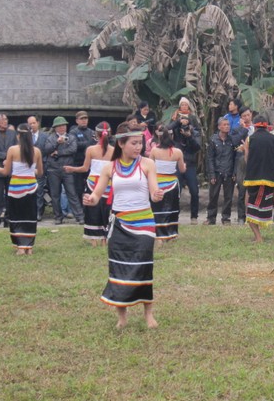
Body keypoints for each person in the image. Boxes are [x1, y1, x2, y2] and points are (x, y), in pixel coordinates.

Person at [83, 123, 164, 329]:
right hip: (119, 224)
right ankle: (122, 317)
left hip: (144, 223)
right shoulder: (109, 167)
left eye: (141, 143)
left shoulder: (147, 164)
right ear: (121, 143)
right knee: (118, 269)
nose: (139, 147)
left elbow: (154, 190)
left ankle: (149, 315)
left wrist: (156, 194)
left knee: (143, 268)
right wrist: (90, 199)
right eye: (134, 143)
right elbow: (97, 194)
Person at [0, 123, 44, 255]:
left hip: (15, 188)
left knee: (16, 216)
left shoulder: (12, 150)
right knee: (30, 216)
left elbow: (6, 172)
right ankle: (29, 247)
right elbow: (40, 172)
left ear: (18, 136)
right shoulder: (36, 151)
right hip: (31, 187)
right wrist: (31, 170)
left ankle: (20, 245)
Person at [64, 122, 114, 247]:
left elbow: (85, 168)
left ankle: (93, 240)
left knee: (92, 210)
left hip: (93, 183)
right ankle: (105, 239)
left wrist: (72, 169)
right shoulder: (114, 151)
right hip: (108, 183)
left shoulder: (91, 150)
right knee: (107, 210)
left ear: (96, 135)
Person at [242, 116, 274, 243]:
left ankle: (258, 237)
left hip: (253, 179)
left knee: (249, 206)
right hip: (271, 179)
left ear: (255, 127)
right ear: (267, 127)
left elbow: (247, 159)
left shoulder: (249, 139)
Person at [44, 116, 84, 225]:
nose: (62, 128)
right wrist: (57, 143)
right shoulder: (50, 138)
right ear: (55, 128)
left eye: (64, 125)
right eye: (60, 126)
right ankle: (58, 217)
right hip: (53, 169)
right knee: (55, 195)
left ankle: (79, 216)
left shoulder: (71, 137)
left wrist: (58, 153)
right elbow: (47, 150)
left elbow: (73, 150)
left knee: (72, 193)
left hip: (67, 168)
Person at [149, 127, 186, 244]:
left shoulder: (154, 151)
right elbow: (182, 169)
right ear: (172, 137)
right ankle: (171, 234)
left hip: (157, 182)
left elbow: (149, 166)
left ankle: (158, 236)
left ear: (160, 137)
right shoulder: (178, 152)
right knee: (172, 209)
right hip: (172, 183)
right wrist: (184, 165)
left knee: (157, 209)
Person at [168, 112, 201, 224]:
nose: (184, 122)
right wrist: (177, 122)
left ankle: (194, 217)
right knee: (176, 191)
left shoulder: (194, 132)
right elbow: (166, 129)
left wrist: (189, 136)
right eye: (183, 120)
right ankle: (174, 215)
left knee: (194, 191)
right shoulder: (176, 131)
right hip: (177, 164)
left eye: (187, 120)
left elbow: (197, 147)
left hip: (190, 164)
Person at [206, 117, 237, 225]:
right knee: (213, 195)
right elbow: (210, 158)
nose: (227, 126)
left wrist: (234, 172)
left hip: (228, 171)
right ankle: (211, 217)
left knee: (228, 196)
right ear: (219, 127)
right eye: (224, 125)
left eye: (228, 124)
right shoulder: (213, 140)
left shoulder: (232, 140)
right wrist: (211, 174)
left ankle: (226, 217)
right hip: (217, 171)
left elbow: (235, 157)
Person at [231, 107, 254, 224]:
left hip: (255, 160)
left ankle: (253, 215)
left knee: (254, 189)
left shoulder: (256, 129)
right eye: (244, 116)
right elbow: (235, 142)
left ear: (251, 115)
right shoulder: (236, 130)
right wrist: (244, 129)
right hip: (241, 161)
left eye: (248, 115)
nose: (246, 117)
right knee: (241, 188)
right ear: (241, 118)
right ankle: (241, 216)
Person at [69, 110, 96, 204]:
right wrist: (89, 143)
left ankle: (89, 205)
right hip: (78, 163)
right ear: (77, 120)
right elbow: (74, 145)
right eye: (82, 119)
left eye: (86, 118)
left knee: (90, 186)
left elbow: (96, 144)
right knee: (78, 188)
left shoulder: (92, 132)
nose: (84, 120)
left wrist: (85, 144)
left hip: (91, 164)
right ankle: (80, 208)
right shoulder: (73, 132)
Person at [28, 115, 50, 220]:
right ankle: (29, 211)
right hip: (28, 167)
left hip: (41, 165)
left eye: (33, 123)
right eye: (30, 123)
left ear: (38, 123)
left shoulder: (45, 136)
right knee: (28, 190)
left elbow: (48, 150)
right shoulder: (25, 136)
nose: (32, 125)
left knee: (39, 189)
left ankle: (38, 212)